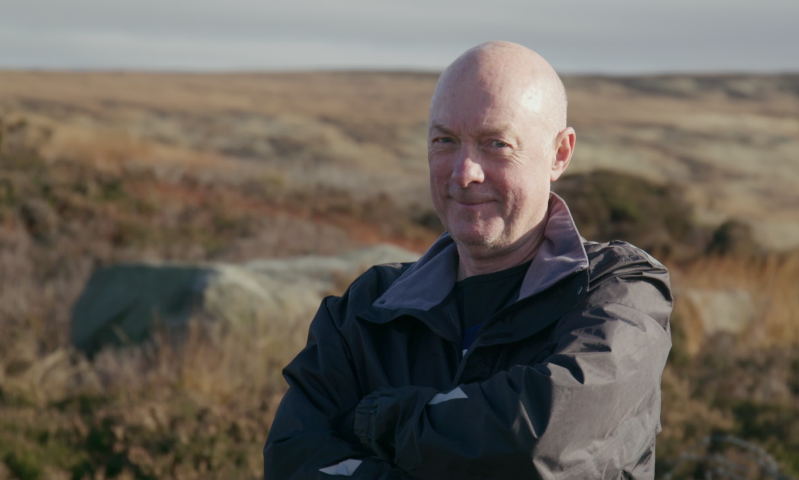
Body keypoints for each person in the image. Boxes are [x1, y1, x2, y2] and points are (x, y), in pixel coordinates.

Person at [264, 41, 673, 480]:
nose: (464, 173)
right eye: (445, 141)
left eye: (496, 143)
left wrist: (380, 421)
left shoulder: (617, 290)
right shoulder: (367, 311)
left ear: (560, 153)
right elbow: (290, 458)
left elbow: (538, 438)